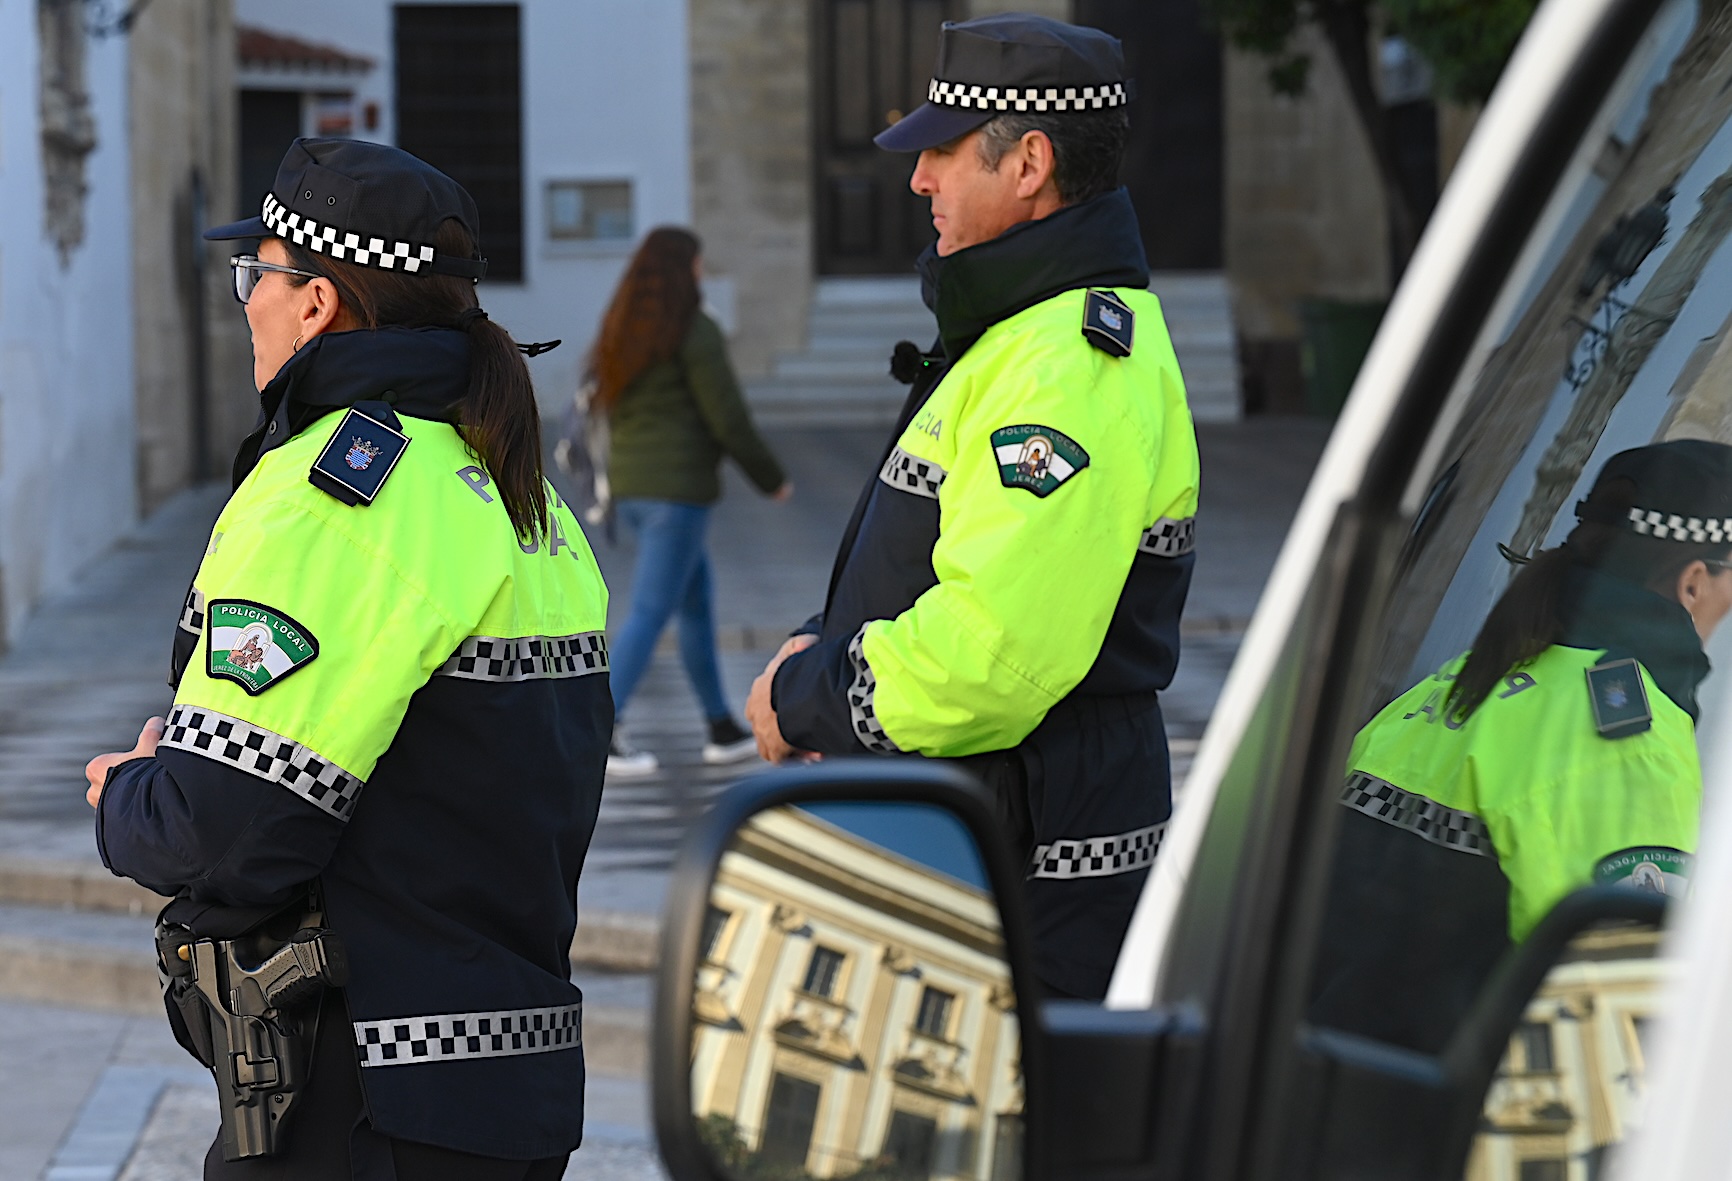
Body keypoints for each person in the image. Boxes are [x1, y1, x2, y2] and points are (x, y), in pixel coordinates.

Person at [82, 138, 610, 1178]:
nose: (247, 304)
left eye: (257, 275)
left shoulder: (335, 496)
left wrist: (128, 796)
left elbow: (229, 827)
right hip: (506, 1089)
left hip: (357, 1100)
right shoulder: (517, 497)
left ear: (317, 302)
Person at [744, 14, 1200, 1001]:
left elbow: (992, 653)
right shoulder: (1019, 332)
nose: (918, 179)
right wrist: (818, 640)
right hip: (994, 829)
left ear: (1028, 161)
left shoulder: (1066, 358)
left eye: (943, 152)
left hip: (1030, 857)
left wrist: (807, 693)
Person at [1309, 440, 1732, 1054]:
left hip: (1332, 1078)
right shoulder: (1628, 744)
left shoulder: (1453, 684)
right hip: (1450, 1119)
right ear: (1694, 583)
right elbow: (1619, 999)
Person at [588, 226, 790, 779]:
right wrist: (770, 477)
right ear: (687, 271)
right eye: (699, 265)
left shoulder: (624, 327)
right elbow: (727, 415)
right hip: (675, 495)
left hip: (631, 488)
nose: (702, 274)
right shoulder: (694, 332)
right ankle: (599, 731)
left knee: (695, 605)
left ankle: (721, 729)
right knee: (652, 611)